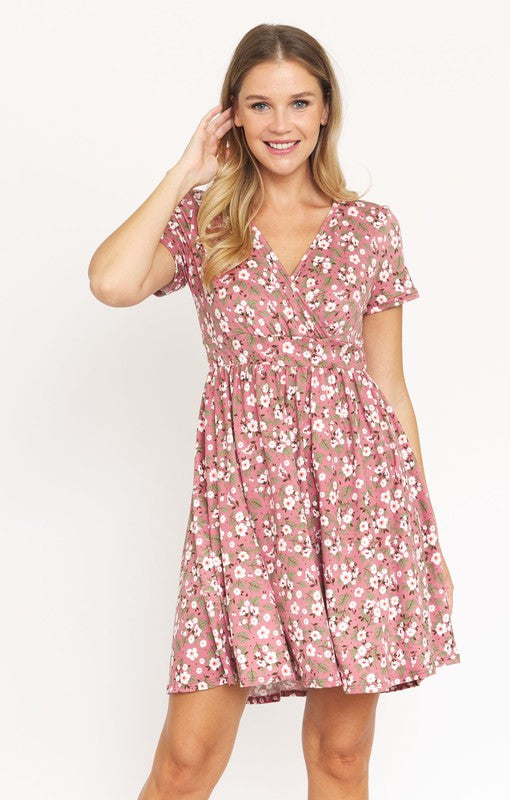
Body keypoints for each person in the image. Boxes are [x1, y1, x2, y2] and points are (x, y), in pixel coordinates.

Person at [88, 22, 461, 800]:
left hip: (358, 515)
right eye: (259, 105)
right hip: (242, 517)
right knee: (185, 764)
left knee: (339, 757)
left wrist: (420, 536)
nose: (280, 124)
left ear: (326, 110)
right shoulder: (204, 222)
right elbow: (112, 282)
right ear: (232, 115)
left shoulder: (368, 230)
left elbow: (390, 389)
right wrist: (183, 171)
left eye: (298, 103)